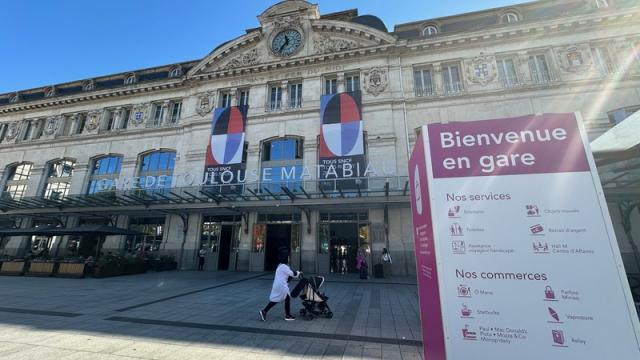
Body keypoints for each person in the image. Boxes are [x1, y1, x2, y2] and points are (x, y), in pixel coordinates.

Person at [259, 249, 301, 321]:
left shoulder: (280, 266)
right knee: (285, 298)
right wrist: (298, 272)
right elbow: (292, 274)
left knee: (277, 299)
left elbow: (289, 276)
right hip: (281, 285)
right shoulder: (284, 267)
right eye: (288, 257)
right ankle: (287, 315)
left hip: (278, 285)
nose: (289, 259)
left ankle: (264, 311)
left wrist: (296, 274)